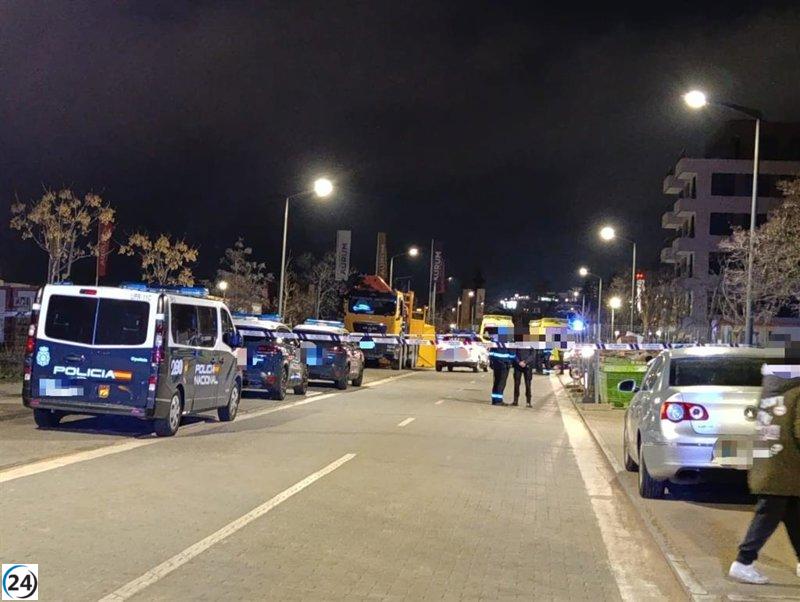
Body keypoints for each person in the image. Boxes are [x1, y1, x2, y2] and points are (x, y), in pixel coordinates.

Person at [729, 364, 800, 585]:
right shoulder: (797, 392)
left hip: (770, 464)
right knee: (768, 513)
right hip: (785, 467)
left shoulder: (772, 392)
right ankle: (743, 562)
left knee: (794, 514)